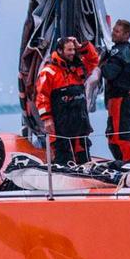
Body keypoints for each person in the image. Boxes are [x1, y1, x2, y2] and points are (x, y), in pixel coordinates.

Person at [36, 36, 99, 165]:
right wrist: (47, 119)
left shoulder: (77, 69)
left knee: (84, 157)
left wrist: (81, 46)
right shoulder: (49, 72)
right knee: (63, 158)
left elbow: (93, 60)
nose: (72, 53)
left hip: (79, 124)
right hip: (60, 126)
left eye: (73, 50)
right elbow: (42, 97)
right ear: (60, 50)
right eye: (69, 50)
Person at [100, 19, 130, 160]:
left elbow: (109, 73)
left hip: (120, 100)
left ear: (127, 35)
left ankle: (128, 167)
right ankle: (125, 165)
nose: (113, 33)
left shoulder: (118, 52)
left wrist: (100, 62)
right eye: (113, 30)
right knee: (117, 135)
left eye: (117, 31)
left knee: (119, 137)